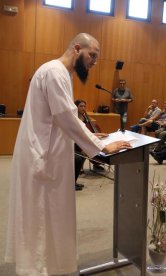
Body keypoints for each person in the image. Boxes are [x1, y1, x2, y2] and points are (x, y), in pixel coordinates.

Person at [5, 33, 131, 276]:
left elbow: (65, 117)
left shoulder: (59, 72)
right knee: (42, 216)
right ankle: (39, 269)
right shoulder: (55, 72)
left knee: (50, 215)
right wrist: (101, 147)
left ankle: (49, 266)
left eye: (97, 57)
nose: (94, 61)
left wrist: (95, 136)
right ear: (76, 48)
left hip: (46, 152)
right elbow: (66, 117)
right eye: (92, 55)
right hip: (43, 155)